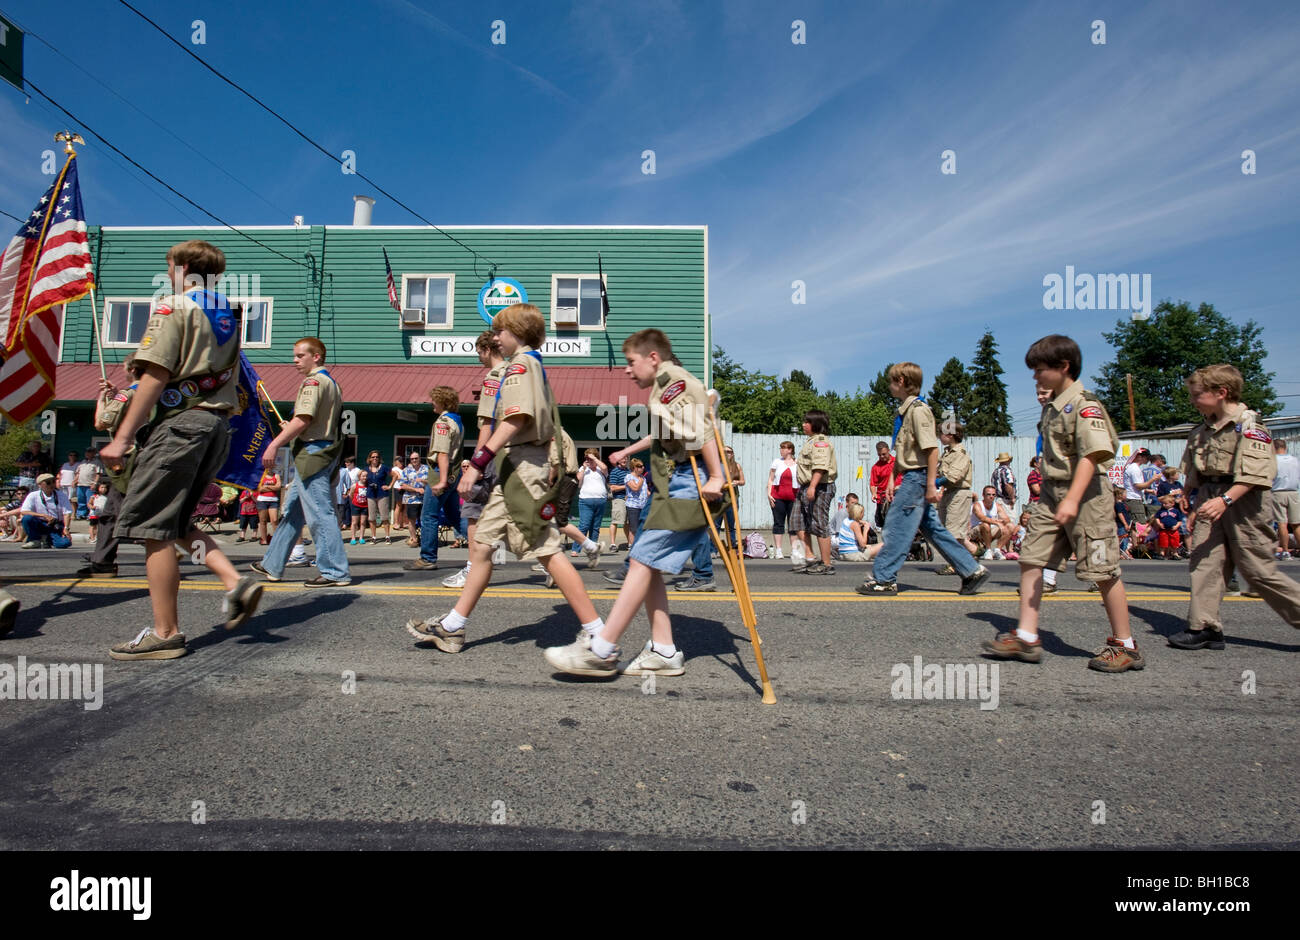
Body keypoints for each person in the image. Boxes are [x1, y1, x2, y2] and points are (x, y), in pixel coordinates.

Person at [406, 303, 604, 653]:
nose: (495, 338)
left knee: (547, 550)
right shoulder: (530, 364)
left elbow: (514, 421)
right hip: (516, 466)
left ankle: (598, 634)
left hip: (524, 468)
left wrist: (478, 462)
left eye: (499, 331)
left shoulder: (519, 366)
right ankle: (453, 626)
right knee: (482, 546)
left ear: (515, 332)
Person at [98, 239, 263, 658]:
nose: (168, 272)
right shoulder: (227, 313)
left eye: (170, 265)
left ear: (185, 267)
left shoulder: (174, 307)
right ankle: (234, 581)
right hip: (215, 425)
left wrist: (121, 437)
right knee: (178, 521)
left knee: (153, 529)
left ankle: (165, 631)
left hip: (179, 425)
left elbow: (156, 376)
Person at [543, 327, 723, 677]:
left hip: (691, 478)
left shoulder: (673, 381)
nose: (627, 370)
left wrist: (715, 475)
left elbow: (701, 431)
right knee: (649, 564)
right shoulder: (666, 384)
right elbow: (673, 430)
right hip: (678, 477)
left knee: (640, 559)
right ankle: (664, 650)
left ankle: (601, 649)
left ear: (652, 358)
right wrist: (627, 450)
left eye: (631, 362)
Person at [983, 334, 1139, 672]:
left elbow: (1092, 455)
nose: (1035, 377)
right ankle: (1026, 636)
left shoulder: (1084, 405)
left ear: (1063, 367)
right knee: (1031, 558)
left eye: (1040, 370)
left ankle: (1125, 644)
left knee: (1102, 571)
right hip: (1053, 495)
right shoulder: (1053, 406)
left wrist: (1071, 499)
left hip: (1087, 498)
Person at [1167, 364, 1300, 650]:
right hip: (1209, 496)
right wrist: (1191, 501)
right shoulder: (1203, 429)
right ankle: (1204, 627)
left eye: (1197, 395)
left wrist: (1225, 500)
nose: (1193, 401)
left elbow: (1256, 473)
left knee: (1257, 571)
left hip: (1242, 501)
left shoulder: (1250, 426)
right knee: (1205, 561)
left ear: (1221, 393)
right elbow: (1194, 469)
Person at [857, 363, 989, 596]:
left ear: (902, 381)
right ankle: (971, 570)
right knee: (933, 530)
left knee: (896, 527)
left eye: (891, 381)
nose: (888, 385)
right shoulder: (906, 412)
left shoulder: (919, 411)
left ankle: (885, 579)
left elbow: (931, 450)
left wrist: (929, 485)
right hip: (911, 476)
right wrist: (891, 479)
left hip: (917, 479)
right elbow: (906, 452)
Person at [249, 336, 351, 587]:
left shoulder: (313, 381)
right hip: (318, 449)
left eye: (299, 355)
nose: (294, 360)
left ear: (316, 356)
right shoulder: (330, 382)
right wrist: (292, 427)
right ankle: (272, 564)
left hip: (313, 453)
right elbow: (309, 421)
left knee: (319, 513)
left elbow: (303, 419)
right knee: (293, 512)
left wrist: (274, 444)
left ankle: (334, 572)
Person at [443, 331, 505, 588]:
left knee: (472, 511)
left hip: (491, 455)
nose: (478, 357)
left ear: (486, 350)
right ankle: (553, 565)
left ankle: (473, 570)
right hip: (511, 454)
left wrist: (476, 464)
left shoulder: (493, 378)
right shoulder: (517, 372)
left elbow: (487, 425)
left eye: (479, 352)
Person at [406, 386, 464, 571]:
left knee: (429, 516)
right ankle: (486, 547)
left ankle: (427, 558)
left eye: (434, 399)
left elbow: (443, 453)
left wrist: (442, 480)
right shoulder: (458, 421)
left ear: (441, 401)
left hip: (441, 472)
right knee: (455, 516)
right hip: (455, 472)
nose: (431, 402)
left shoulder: (443, 422)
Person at [792, 409, 837, 574]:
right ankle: (810, 558)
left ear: (815, 424)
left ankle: (826, 564)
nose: (803, 425)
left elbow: (820, 467)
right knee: (798, 521)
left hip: (819, 487)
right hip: (805, 487)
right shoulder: (810, 441)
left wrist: (812, 487)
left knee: (819, 523)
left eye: (807, 422)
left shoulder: (820, 442)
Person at [935, 423, 975, 572]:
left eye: (941, 434)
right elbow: (941, 472)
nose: (939, 437)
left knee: (954, 532)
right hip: (949, 493)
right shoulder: (947, 453)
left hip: (959, 493)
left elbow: (953, 476)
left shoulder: (960, 453)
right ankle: (973, 552)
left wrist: (935, 483)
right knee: (947, 530)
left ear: (950, 435)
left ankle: (955, 565)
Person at [19, 474, 73, 548]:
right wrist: (43, 515)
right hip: (40, 522)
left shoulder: (61, 495)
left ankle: (47, 539)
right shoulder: (33, 495)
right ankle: (35, 540)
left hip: (54, 525)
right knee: (27, 518)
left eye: (53, 482)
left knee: (65, 543)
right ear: (40, 485)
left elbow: (67, 513)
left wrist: (66, 528)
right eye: (48, 482)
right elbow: (24, 511)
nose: (51, 485)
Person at [574, 448, 609, 557]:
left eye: (591, 458)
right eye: (587, 459)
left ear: (596, 458)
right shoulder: (583, 469)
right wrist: (584, 468)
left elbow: (605, 467)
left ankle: (593, 549)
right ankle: (576, 549)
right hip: (585, 501)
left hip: (600, 501)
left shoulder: (601, 469)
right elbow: (578, 479)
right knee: (584, 526)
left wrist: (594, 458)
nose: (589, 460)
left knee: (595, 527)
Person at [768, 440, 798, 559]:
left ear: (790, 450)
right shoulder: (777, 462)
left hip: (793, 497)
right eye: (780, 448)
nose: (781, 450)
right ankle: (778, 550)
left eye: (783, 448)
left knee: (793, 525)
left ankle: (794, 550)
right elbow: (770, 479)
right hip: (778, 496)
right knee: (778, 522)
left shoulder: (797, 463)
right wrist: (769, 494)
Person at [970, 485, 1016, 560]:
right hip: (976, 531)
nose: (991, 496)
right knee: (985, 524)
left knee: (1010, 526)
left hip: (990, 531)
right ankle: (988, 550)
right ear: (983, 495)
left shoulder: (997, 506)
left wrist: (1002, 522)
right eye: (988, 494)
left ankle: (997, 550)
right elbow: (982, 518)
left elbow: (1006, 519)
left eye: (993, 495)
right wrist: (996, 522)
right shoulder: (977, 505)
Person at [1272, 438, 1299, 558]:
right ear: (1285, 447)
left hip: (1278, 492)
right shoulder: (1295, 460)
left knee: (1282, 523)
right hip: (1294, 492)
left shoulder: (1273, 460)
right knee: (1296, 524)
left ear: (1273, 448)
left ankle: (1285, 551)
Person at [398, 453, 428, 547]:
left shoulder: (427, 469)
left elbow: (435, 481)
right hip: (411, 499)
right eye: (412, 459)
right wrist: (416, 489)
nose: (414, 460)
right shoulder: (406, 470)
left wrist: (424, 481)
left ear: (420, 458)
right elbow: (402, 485)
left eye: (416, 458)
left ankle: (426, 540)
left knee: (425, 520)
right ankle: (414, 539)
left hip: (425, 499)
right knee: (411, 520)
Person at [363, 451, 392, 544]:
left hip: (382, 494)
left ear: (379, 458)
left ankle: (387, 536)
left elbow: (395, 475)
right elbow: (360, 477)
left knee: (384, 517)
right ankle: (373, 537)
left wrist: (389, 486)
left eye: (377, 457)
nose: (375, 458)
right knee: (371, 518)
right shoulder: (366, 469)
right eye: (373, 457)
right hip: (371, 494)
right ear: (370, 458)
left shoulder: (383, 468)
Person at [869, 441, 897, 531]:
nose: (881, 457)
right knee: (884, 525)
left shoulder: (897, 462)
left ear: (889, 450)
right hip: (883, 499)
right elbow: (873, 484)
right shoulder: (876, 467)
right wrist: (874, 494)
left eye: (884, 454)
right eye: (879, 455)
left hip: (896, 496)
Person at [1122, 448, 1156, 523]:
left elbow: (1133, 486)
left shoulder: (1132, 467)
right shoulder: (1135, 469)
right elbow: (1138, 486)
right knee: (1139, 524)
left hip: (1132, 499)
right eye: (1147, 458)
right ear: (1140, 457)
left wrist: (1149, 491)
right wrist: (1153, 479)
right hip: (1134, 500)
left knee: (1135, 525)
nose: (1148, 460)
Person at [1151, 492, 1185, 560]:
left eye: (1166, 503)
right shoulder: (1161, 511)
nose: (1164, 505)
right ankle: (1162, 553)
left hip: (1173, 530)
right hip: (1163, 529)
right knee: (1163, 542)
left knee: (1174, 542)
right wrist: (1159, 524)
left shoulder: (1176, 511)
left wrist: (1176, 526)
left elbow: (1179, 520)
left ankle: (1175, 553)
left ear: (1172, 503)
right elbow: (1157, 517)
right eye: (1163, 503)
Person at [624, 458, 648, 550]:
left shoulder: (643, 477)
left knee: (642, 527)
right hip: (633, 506)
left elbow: (645, 491)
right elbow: (635, 488)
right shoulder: (629, 477)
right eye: (640, 466)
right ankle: (632, 545)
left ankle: (640, 545)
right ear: (634, 468)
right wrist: (641, 481)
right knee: (633, 528)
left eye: (643, 466)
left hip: (643, 505)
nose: (643, 468)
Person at [607, 454, 629, 552]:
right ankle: (612, 544)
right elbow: (613, 488)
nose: (625, 460)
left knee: (627, 523)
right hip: (618, 499)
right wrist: (626, 486)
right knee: (615, 521)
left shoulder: (629, 471)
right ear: (618, 461)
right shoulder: (615, 472)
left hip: (629, 500)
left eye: (626, 458)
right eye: (622, 458)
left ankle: (630, 543)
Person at [255, 466, 281, 545]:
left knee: (275, 520)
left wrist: (267, 487)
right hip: (262, 500)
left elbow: (278, 487)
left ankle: (277, 539)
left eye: (271, 466)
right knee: (263, 521)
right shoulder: (261, 475)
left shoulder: (276, 475)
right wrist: (273, 487)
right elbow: (260, 489)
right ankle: (264, 539)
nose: (269, 468)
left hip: (273, 500)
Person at [75, 450, 102, 520]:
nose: (87, 454)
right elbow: (78, 473)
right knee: (81, 499)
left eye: (89, 452)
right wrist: (74, 481)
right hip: (80, 484)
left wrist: (95, 483)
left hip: (90, 484)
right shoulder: (83, 462)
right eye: (86, 452)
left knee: (90, 500)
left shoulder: (97, 462)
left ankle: (90, 514)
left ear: (93, 454)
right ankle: (81, 514)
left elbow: (98, 474)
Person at [348, 470, 370, 545]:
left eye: (366, 476)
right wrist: (355, 501)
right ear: (359, 477)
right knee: (354, 522)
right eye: (363, 476)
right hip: (356, 505)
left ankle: (361, 537)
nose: (365, 477)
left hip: (365, 506)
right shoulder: (355, 485)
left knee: (363, 522)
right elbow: (351, 495)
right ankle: (353, 538)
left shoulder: (368, 485)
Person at [57, 451, 79, 518]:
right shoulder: (65, 465)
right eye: (70, 455)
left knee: (71, 499)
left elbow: (79, 474)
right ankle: (64, 513)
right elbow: (60, 474)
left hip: (71, 484)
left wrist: (74, 481)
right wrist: (58, 481)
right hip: (63, 484)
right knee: (64, 499)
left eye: (74, 455)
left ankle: (74, 514)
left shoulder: (78, 464)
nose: (72, 456)